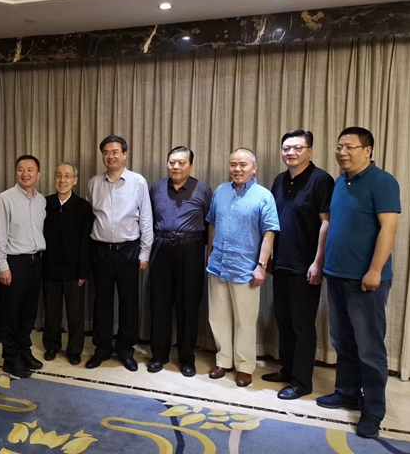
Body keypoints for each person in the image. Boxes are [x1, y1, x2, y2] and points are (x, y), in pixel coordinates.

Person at [317, 127, 400, 439]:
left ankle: (373, 410)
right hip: (336, 275)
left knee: (370, 349)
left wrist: (375, 270)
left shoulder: (382, 182)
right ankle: (347, 392)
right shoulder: (341, 181)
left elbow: (388, 228)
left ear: (368, 150)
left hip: (366, 281)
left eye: (349, 147)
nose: (342, 152)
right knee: (343, 342)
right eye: (339, 146)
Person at [263, 130, 334, 399]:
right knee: (283, 320)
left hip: (306, 266)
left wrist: (318, 262)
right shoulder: (280, 180)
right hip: (281, 262)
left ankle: (302, 383)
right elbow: (273, 221)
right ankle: (287, 369)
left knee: (302, 325)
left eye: (297, 148)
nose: (290, 153)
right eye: (286, 148)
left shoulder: (321, 180)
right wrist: (270, 255)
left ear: (310, 151)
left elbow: (326, 222)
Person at [206, 148, 279, 387]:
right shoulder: (220, 191)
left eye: (243, 165)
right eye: (233, 164)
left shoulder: (264, 196)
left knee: (245, 320)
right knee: (218, 316)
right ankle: (223, 360)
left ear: (254, 168)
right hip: (218, 265)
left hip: (245, 268)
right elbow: (212, 225)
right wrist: (210, 254)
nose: (237, 169)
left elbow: (269, 233)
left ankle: (245, 366)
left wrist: (262, 266)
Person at [86, 135, 153, 371]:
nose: (110, 156)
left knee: (129, 302)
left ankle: (125, 349)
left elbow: (146, 218)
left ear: (124, 154)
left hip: (129, 251)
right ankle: (102, 347)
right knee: (101, 301)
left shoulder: (138, 182)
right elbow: (90, 217)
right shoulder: (94, 183)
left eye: (115, 152)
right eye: (106, 152)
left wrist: (144, 253)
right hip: (100, 250)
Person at [148, 146, 212, 377]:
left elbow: (210, 224)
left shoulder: (203, 190)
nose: (175, 167)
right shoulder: (156, 188)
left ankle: (186, 358)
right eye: (172, 162)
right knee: (159, 304)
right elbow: (147, 220)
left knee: (189, 306)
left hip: (190, 248)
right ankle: (159, 355)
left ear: (190, 166)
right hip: (161, 246)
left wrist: (208, 252)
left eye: (181, 163)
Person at [0, 155, 46, 378]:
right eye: (21, 169)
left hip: (36, 261)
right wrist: (2, 266)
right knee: (11, 314)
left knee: (28, 313)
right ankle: (11, 358)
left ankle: (24, 351)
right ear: (16, 173)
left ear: (38, 174)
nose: (25, 173)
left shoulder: (41, 200)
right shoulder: (4, 199)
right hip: (14, 263)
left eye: (30, 170)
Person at [42, 162, 94, 366]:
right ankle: (51, 345)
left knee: (75, 314)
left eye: (67, 176)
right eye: (58, 175)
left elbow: (86, 242)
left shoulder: (83, 207)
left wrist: (83, 272)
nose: (62, 180)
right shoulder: (45, 204)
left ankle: (74, 349)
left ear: (75, 180)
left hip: (74, 272)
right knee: (51, 312)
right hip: (50, 269)